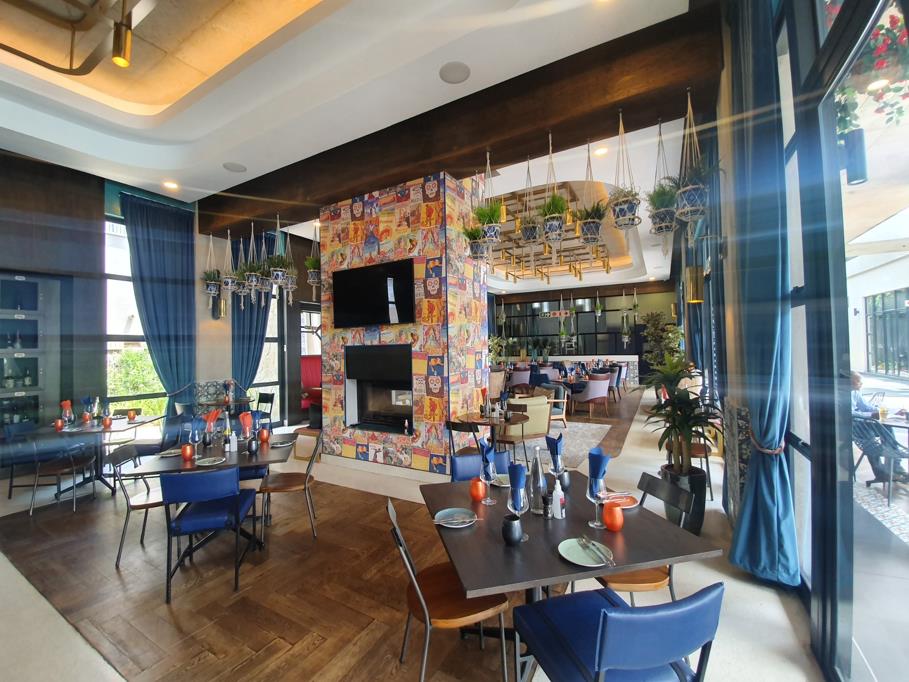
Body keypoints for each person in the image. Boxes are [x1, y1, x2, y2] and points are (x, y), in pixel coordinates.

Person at [851, 371, 908, 482]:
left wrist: (890, 411)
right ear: (851, 382)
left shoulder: (855, 393)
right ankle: (882, 472)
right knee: (870, 443)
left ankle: (895, 467)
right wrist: (871, 415)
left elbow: (867, 407)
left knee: (886, 428)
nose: (861, 384)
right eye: (858, 381)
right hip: (853, 425)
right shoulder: (841, 394)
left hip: (863, 422)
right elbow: (850, 413)